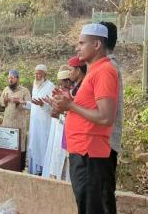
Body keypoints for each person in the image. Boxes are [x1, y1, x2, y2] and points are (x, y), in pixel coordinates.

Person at [52, 23, 119, 214]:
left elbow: (106, 117)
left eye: (82, 43)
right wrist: (67, 102)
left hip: (90, 155)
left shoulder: (104, 71)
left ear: (97, 45)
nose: (77, 47)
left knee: (92, 208)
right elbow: (88, 109)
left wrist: (70, 105)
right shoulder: (94, 72)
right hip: (83, 153)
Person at [100, 21, 124, 213]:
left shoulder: (108, 69)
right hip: (106, 142)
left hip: (105, 143)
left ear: (99, 42)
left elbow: (104, 112)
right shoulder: (109, 67)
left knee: (104, 194)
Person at [42, 65, 72, 180]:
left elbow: (71, 114)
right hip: (58, 132)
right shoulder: (61, 93)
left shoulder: (73, 93)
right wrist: (52, 104)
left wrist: (59, 114)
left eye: (63, 84)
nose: (61, 86)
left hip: (68, 135)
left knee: (67, 166)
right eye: (60, 84)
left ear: (68, 82)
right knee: (56, 159)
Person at [25, 64, 55, 175]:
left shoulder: (50, 86)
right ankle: (33, 171)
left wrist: (43, 104)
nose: (37, 76)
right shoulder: (35, 85)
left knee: (42, 146)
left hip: (44, 124)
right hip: (34, 123)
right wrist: (24, 103)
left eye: (39, 73)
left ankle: (42, 172)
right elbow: (34, 105)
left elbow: (53, 106)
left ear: (45, 74)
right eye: (36, 73)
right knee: (33, 144)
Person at [0, 70, 31, 170]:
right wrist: (4, 101)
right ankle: (6, 168)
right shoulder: (6, 90)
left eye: (12, 78)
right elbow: (1, 104)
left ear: (17, 78)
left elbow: (29, 105)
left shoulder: (24, 91)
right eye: (9, 78)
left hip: (19, 125)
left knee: (19, 147)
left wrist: (19, 102)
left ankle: (19, 170)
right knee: (7, 146)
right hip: (7, 123)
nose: (10, 80)